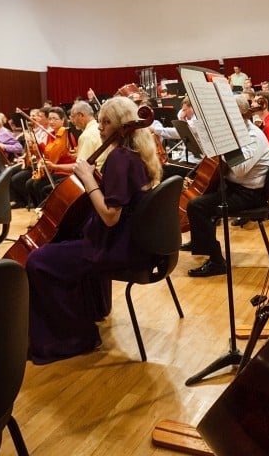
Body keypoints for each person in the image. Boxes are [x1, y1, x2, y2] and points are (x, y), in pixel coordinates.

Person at [25, 97, 163, 363]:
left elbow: (111, 216)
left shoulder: (120, 159)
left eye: (106, 122)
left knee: (39, 261)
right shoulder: (137, 154)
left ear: (123, 125)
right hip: (133, 241)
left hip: (117, 247)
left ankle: (75, 337)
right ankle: (91, 312)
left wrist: (88, 178)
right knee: (66, 246)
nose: (100, 127)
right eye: (99, 121)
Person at [185, 95, 269, 277]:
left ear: (238, 115)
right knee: (197, 199)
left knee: (196, 205)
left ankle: (217, 262)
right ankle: (200, 241)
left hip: (250, 193)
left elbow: (240, 170)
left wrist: (222, 144)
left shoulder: (253, 136)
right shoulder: (239, 134)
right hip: (235, 187)